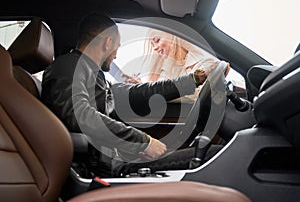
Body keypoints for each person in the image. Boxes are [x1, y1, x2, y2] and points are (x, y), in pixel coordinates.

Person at [41, 13, 219, 178]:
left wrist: (191, 81)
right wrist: (142, 141)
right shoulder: (67, 69)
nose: (116, 55)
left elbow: (137, 92)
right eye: (117, 48)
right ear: (107, 43)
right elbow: (80, 115)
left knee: (207, 154)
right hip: (106, 169)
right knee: (212, 155)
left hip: (115, 159)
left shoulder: (90, 72)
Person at [123, 28, 222, 86]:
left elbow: (192, 95)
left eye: (157, 40)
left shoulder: (204, 62)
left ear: (173, 34)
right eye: (152, 45)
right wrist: (141, 87)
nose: (155, 48)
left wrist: (146, 89)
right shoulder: (165, 70)